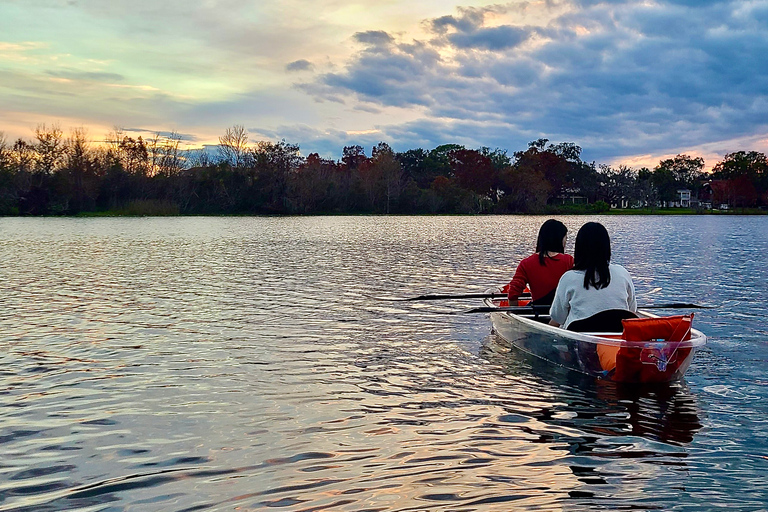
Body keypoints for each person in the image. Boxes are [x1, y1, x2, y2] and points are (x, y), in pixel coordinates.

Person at [549, 222, 637, 330]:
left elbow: (558, 317)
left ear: (579, 247)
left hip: (579, 343)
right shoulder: (622, 273)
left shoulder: (569, 278)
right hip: (615, 341)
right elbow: (631, 310)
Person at [506, 219, 574, 305]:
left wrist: (514, 314)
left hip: (537, 313)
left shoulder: (526, 263)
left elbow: (513, 294)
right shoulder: (569, 261)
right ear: (560, 239)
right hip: (563, 314)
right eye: (565, 238)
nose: (566, 242)